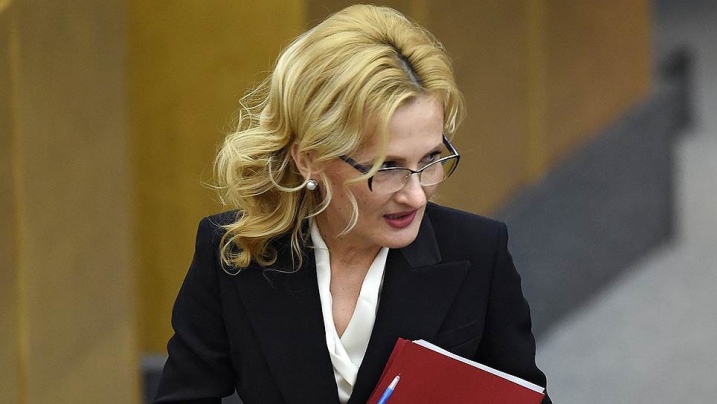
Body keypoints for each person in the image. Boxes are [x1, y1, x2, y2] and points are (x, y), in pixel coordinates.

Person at [154, 4, 551, 404]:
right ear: (309, 159)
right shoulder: (233, 255)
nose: (416, 195)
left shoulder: (479, 253)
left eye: (431, 158)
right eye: (387, 167)